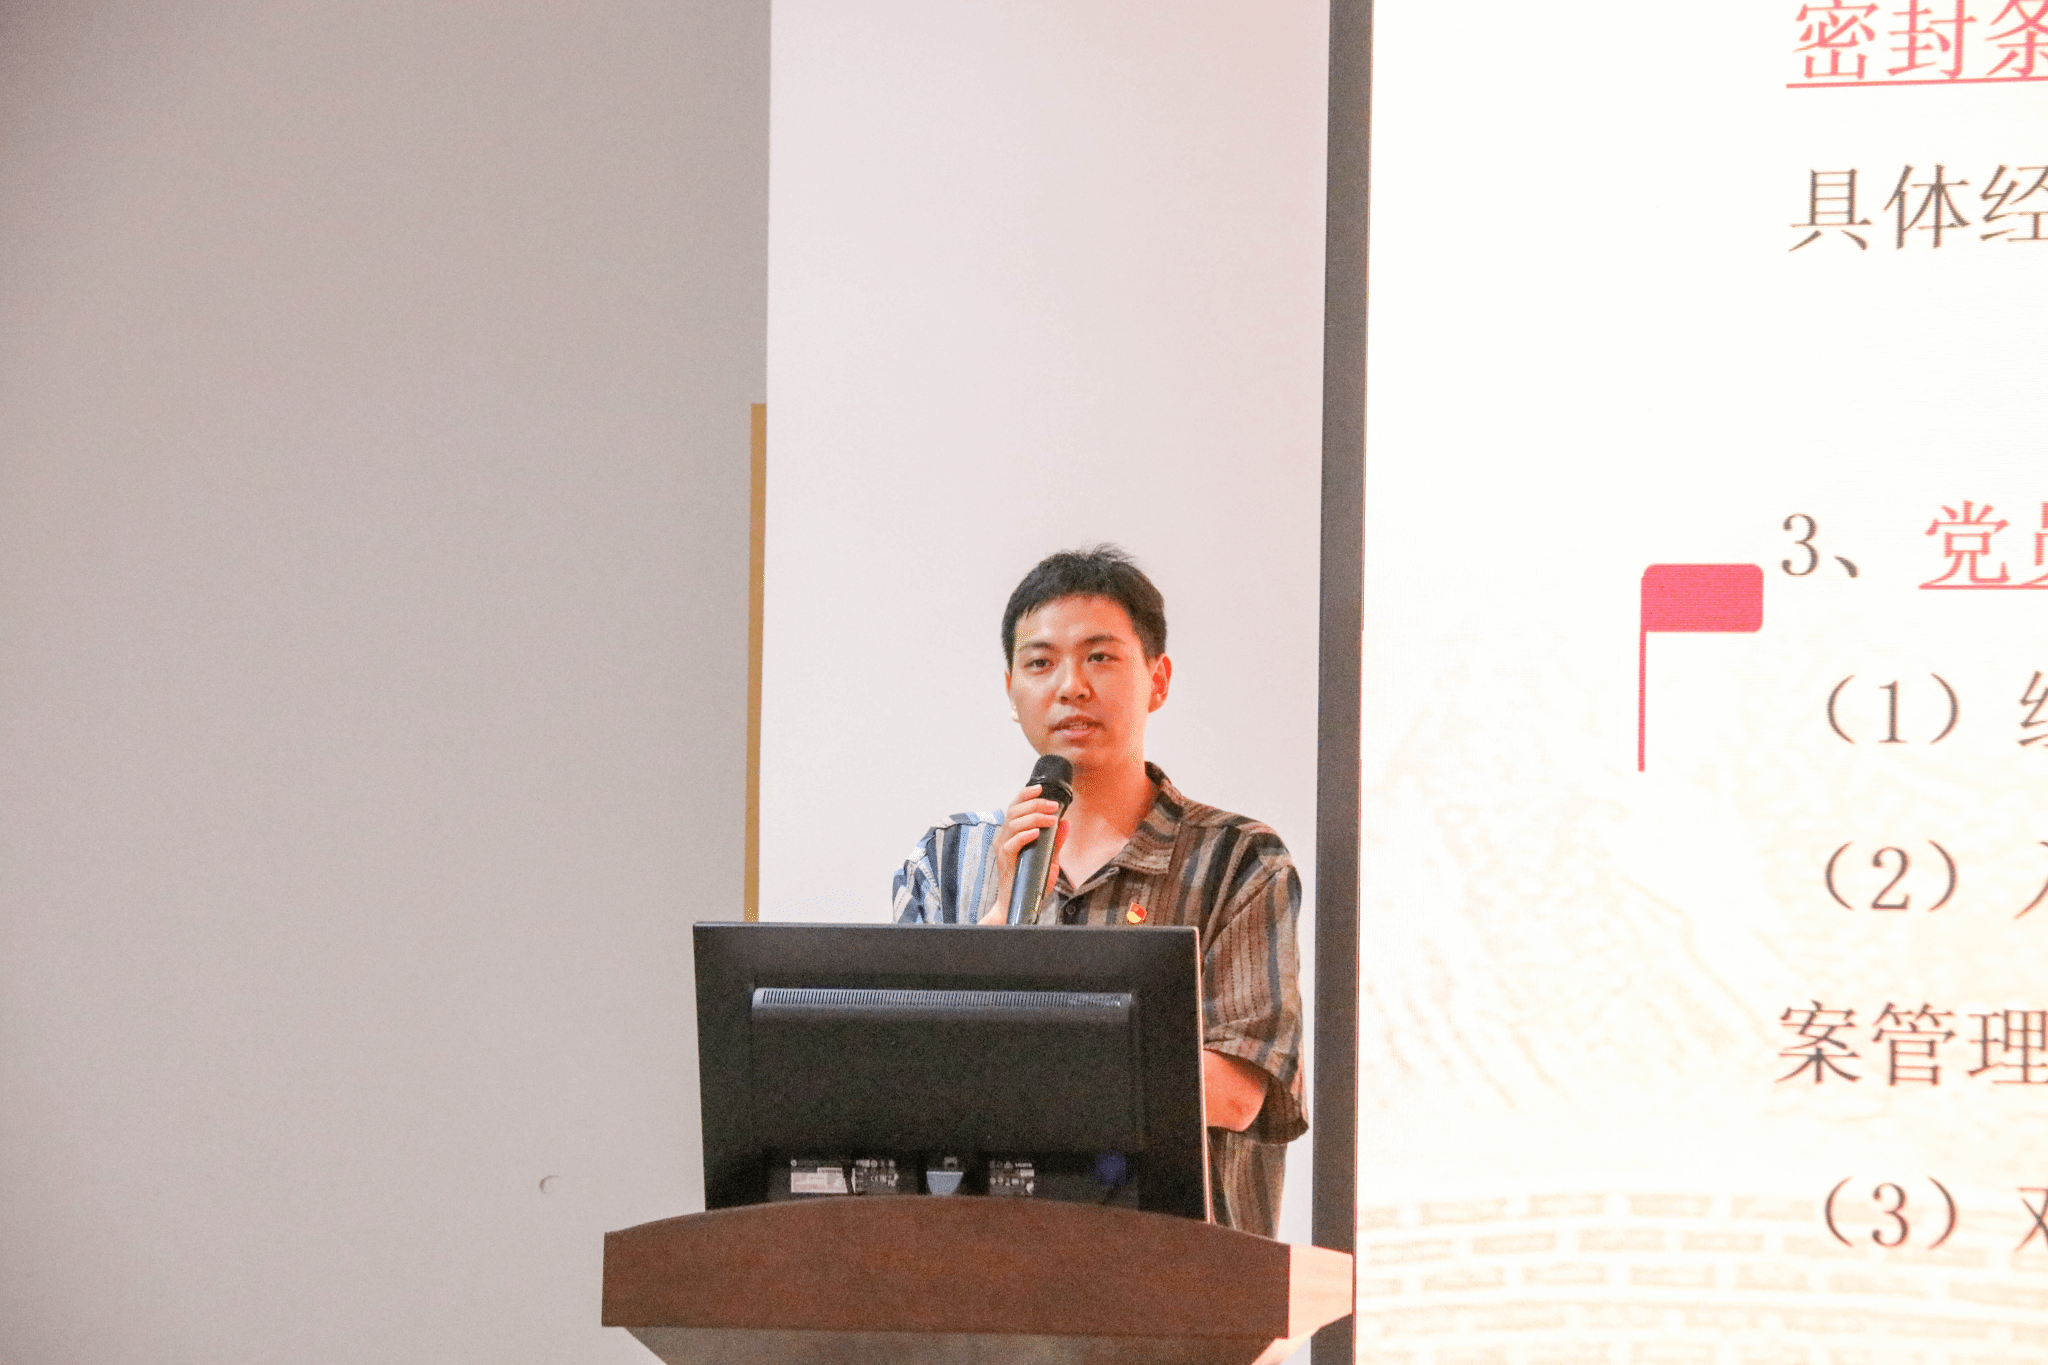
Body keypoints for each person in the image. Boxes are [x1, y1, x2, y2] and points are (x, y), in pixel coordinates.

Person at [891, 545, 1306, 1236]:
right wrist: (998, 920)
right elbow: (907, 1074)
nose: (1070, 687)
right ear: (1010, 690)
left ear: (1158, 680)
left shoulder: (1239, 861)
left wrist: (1019, 1067)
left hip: (1176, 1271)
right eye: (1040, 663)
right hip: (980, 1261)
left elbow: (1236, 1092)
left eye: (1100, 657)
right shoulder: (945, 859)